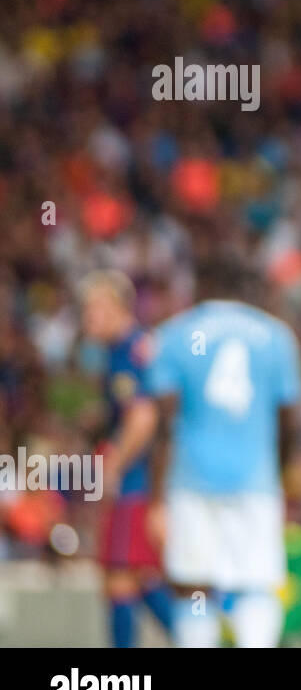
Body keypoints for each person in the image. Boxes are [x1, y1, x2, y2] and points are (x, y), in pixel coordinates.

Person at [143, 264, 301, 647]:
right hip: (256, 480)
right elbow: (290, 419)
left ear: (202, 285)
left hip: (191, 478)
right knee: (256, 582)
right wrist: (278, 475)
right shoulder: (277, 336)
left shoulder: (174, 334)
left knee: (192, 584)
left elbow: (164, 423)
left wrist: (156, 497)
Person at [79, 270, 172, 647]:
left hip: (136, 482)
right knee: (138, 574)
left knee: (121, 573)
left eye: (93, 310)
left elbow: (144, 418)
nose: (87, 319)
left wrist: (111, 465)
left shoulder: (128, 352)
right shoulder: (126, 350)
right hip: (147, 482)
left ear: (116, 308)